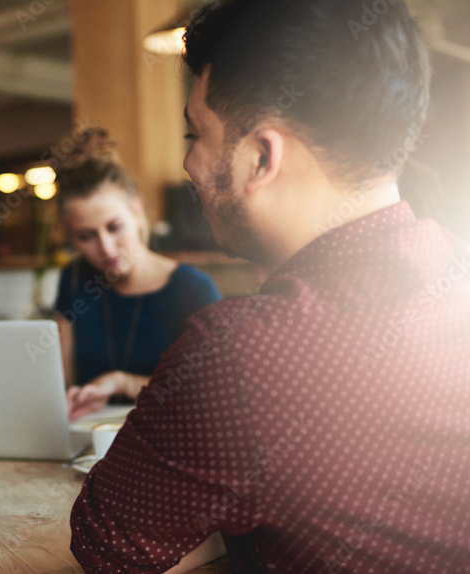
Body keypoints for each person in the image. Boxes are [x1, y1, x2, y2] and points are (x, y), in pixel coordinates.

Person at [71, 0, 470, 572]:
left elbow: (107, 548)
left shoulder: (241, 355)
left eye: (195, 134)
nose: (188, 163)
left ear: (260, 156)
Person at [53, 128, 221, 421]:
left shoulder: (193, 289)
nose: (105, 248)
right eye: (85, 236)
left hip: (168, 438)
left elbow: (212, 393)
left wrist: (122, 382)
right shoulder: (75, 278)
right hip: (88, 437)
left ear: (137, 213)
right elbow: (61, 383)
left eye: (114, 227)